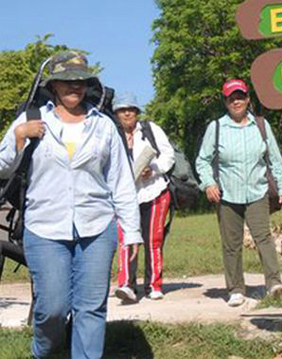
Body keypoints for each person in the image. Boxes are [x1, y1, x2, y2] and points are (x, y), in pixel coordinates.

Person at [0, 51, 142, 359]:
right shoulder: (31, 119)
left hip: (96, 227)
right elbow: (2, 166)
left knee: (90, 308)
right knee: (52, 308)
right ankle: (45, 352)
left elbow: (121, 183)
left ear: (88, 85)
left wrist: (132, 232)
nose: (73, 87)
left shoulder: (103, 126)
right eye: (65, 82)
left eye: (79, 82)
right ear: (53, 87)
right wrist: (19, 137)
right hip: (44, 226)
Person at [195, 79, 282, 307]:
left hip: (257, 191)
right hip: (227, 195)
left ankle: (274, 284)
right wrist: (208, 183)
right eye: (231, 98)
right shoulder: (216, 128)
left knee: (264, 238)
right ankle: (236, 288)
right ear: (226, 102)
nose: (236, 101)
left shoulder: (261, 125)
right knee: (231, 243)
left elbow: (276, 160)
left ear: (248, 99)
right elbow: (202, 161)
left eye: (240, 96)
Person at [113, 92, 175, 303]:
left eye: (131, 109)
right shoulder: (111, 134)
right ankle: (126, 285)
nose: (127, 113)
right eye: (122, 109)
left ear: (137, 112)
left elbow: (169, 155)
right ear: (116, 113)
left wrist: (154, 169)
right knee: (126, 240)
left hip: (154, 192)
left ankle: (153, 285)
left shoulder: (150, 129)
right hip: (124, 197)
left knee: (152, 240)